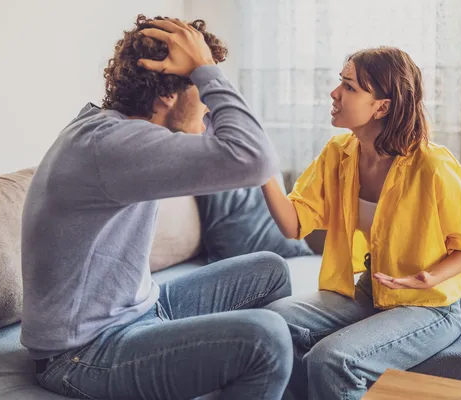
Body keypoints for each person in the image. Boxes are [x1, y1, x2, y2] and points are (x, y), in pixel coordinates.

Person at [21, 15, 293, 400]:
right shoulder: (114, 145)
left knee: (270, 270)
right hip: (82, 354)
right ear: (167, 95)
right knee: (265, 339)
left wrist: (200, 70)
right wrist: (205, 67)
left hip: (142, 310)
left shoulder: (123, 133)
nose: (208, 107)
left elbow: (242, 150)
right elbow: (255, 159)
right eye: (199, 85)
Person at [261, 46, 461, 399]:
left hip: (429, 305)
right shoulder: (339, 153)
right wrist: (262, 170)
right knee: (270, 324)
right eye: (340, 82)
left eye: (349, 87)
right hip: (372, 291)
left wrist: (429, 277)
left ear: (381, 107)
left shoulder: (431, 165)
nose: (334, 93)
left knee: (331, 359)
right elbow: (294, 225)